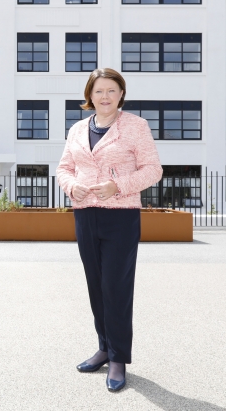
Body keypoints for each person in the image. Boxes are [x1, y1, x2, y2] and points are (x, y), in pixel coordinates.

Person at [56, 68, 162, 393]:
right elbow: (64, 168)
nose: (105, 97)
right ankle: (103, 347)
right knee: (95, 286)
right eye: (99, 91)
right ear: (90, 95)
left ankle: (118, 358)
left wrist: (117, 186)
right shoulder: (76, 129)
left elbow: (153, 170)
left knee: (115, 287)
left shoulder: (135, 127)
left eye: (111, 91)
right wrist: (72, 186)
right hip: (85, 215)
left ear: (121, 95)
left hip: (121, 217)